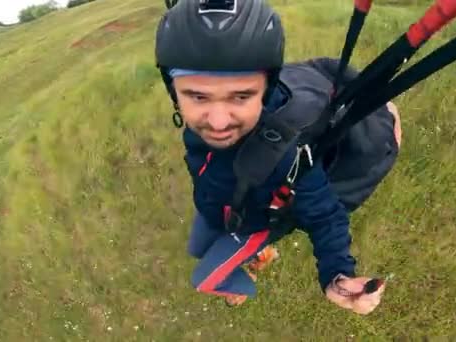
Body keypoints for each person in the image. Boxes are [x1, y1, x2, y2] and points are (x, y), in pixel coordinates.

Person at [154, 0, 401, 314]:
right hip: (218, 208)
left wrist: (336, 275)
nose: (217, 122)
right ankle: (259, 257)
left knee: (204, 278)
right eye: (198, 96)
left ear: (265, 91)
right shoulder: (196, 132)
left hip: (249, 226)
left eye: (241, 96)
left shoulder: (281, 151)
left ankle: (243, 284)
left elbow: (325, 215)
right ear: (174, 93)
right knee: (196, 248)